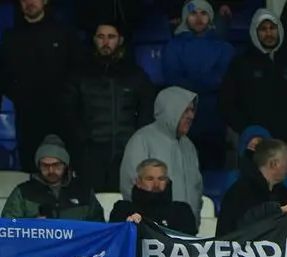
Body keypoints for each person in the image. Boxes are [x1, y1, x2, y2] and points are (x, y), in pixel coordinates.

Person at [63, 21, 155, 193]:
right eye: (101, 36)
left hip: (125, 154)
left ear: (120, 40)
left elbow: (147, 108)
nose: (106, 42)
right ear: (94, 39)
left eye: (111, 37)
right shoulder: (79, 74)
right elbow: (68, 113)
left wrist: (135, 141)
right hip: (89, 156)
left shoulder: (135, 74)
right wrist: (83, 140)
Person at [0, 0, 79, 171]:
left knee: (62, 171)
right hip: (27, 118)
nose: (29, 2)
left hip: (62, 117)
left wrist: (65, 97)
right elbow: (2, 76)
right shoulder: (11, 37)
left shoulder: (64, 33)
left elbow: (77, 71)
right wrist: (21, 96)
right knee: (31, 171)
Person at [222, 8, 287, 152]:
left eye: (272, 28)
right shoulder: (241, 64)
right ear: (255, 32)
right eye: (263, 29)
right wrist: (247, 130)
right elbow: (227, 102)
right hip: (255, 142)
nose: (268, 33)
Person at [160, 0, 231, 168]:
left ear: (211, 17)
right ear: (185, 17)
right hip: (181, 119)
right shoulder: (172, 47)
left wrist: (191, 81)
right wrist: (208, 82)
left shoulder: (225, 48)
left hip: (214, 120)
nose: (198, 18)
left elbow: (224, 80)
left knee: (214, 170)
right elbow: (173, 80)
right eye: (193, 13)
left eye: (203, 13)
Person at [120, 87, 202, 215]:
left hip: (186, 229)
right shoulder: (142, 140)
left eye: (192, 110)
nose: (191, 116)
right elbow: (131, 186)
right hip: (151, 229)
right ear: (171, 110)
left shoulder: (188, 145)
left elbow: (197, 188)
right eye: (185, 111)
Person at [2, 135, 104, 221]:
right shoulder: (23, 192)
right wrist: (30, 223)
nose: (51, 170)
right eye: (45, 166)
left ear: (65, 165)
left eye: (56, 165)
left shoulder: (83, 192)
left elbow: (99, 226)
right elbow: (8, 224)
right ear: (39, 166)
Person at [216, 139, 287, 235]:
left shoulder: (284, 193)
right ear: (274, 164)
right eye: (286, 160)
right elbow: (233, 231)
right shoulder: (240, 191)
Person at [109, 158, 198, 235]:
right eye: (149, 179)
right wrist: (126, 226)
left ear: (167, 181)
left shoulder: (182, 211)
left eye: (161, 179)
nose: (156, 184)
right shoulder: (122, 209)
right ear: (138, 182)